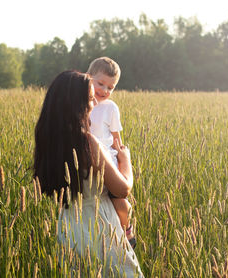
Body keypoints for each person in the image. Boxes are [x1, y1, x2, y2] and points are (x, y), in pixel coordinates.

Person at [33, 70, 143, 277]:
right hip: (101, 227)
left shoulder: (47, 140)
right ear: (76, 104)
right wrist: (125, 159)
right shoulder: (87, 143)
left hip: (69, 229)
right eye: (90, 99)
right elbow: (123, 188)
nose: (94, 105)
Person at [87, 57, 136, 248]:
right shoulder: (81, 103)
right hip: (86, 162)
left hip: (108, 162)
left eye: (111, 88)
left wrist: (123, 161)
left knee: (122, 205)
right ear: (88, 78)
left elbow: (117, 140)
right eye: (100, 84)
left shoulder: (111, 108)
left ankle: (126, 232)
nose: (104, 91)